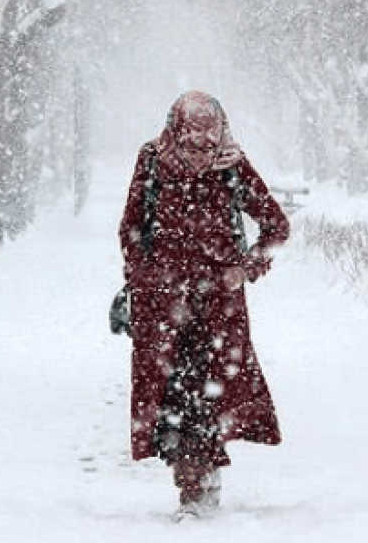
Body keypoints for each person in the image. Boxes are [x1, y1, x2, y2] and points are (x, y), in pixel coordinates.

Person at [118, 90, 291, 518]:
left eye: (206, 140)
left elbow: (276, 226)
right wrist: (143, 276)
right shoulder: (152, 160)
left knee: (206, 394)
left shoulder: (232, 165)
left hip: (218, 308)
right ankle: (191, 482)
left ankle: (197, 486)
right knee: (171, 398)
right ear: (175, 129)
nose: (199, 149)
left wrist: (246, 269)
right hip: (163, 307)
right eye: (191, 139)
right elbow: (131, 227)